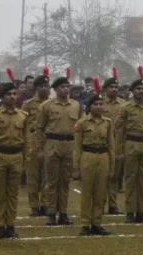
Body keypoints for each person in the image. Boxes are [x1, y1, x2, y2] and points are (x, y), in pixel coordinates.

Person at [0, 82, 27, 239]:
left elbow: (26, 140)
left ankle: (10, 224)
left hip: (16, 156)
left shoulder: (23, 116)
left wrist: (25, 161)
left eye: (15, 94)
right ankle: (0, 225)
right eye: (9, 94)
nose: (12, 97)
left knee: (13, 193)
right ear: (2, 97)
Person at [35, 77, 80, 226]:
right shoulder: (46, 106)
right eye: (62, 87)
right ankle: (51, 213)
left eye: (67, 86)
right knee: (51, 181)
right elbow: (39, 129)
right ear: (55, 89)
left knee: (65, 182)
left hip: (69, 145)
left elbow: (79, 128)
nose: (66, 89)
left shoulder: (75, 105)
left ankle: (63, 213)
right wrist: (40, 149)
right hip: (52, 144)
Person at [72, 85, 116, 236]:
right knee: (87, 193)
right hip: (87, 157)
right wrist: (75, 167)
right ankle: (85, 224)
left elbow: (111, 145)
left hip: (103, 157)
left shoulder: (108, 122)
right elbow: (77, 146)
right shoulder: (82, 123)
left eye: (100, 104)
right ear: (89, 107)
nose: (98, 107)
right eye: (95, 104)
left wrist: (112, 166)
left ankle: (97, 223)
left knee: (100, 193)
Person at [118, 77, 143, 224]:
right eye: (138, 89)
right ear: (132, 91)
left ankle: (141, 212)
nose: (141, 91)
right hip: (131, 143)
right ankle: (130, 212)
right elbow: (120, 130)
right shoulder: (125, 108)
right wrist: (119, 150)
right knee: (130, 180)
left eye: (142, 89)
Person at [22, 76, 50, 216]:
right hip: (33, 139)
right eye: (41, 86)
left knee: (47, 174)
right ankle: (34, 205)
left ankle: (45, 203)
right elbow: (24, 124)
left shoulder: (52, 104)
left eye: (46, 85)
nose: (44, 88)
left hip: (48, 139)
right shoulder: (28, 104)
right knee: (32, 174)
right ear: (36, 88)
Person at [99, 77, 125, 216]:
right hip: (102, 143)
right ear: (105, 89)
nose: (114, 89)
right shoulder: (99, 103)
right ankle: (100, 203)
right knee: (103, 175)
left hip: (118, 143)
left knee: (115, 175)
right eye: (111, 87)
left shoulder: (123, 104)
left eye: (116, 87)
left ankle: (113, 205)